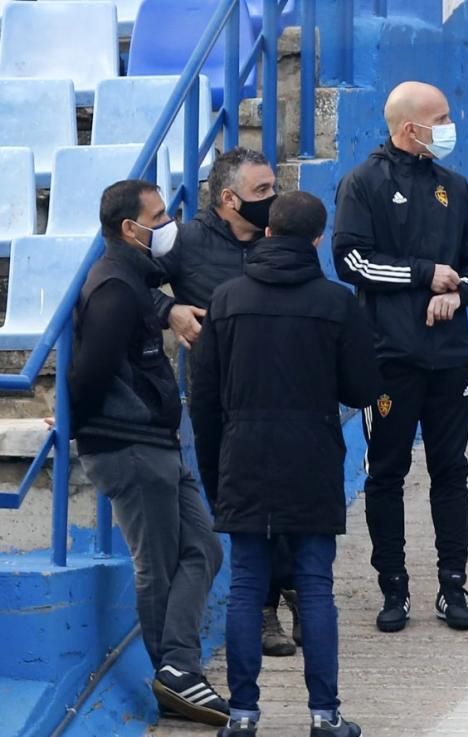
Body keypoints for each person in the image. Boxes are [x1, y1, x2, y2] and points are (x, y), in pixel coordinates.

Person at [190, 191, 379, 737]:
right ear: (317, 240)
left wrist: (215, 472)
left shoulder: (225, 300)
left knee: (248, 585)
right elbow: (362, 387)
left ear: (267, 232)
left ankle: (243, 716)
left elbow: (203, 401)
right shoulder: (338, 303)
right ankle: (325, 716)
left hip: (243, 459)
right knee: (315, 586)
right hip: (313, 459)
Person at [333, 81, 468, 634]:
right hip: (389, 361)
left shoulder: (454, 185)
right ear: (410, 129)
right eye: (442, 118)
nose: (451, 127)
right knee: (386, 474)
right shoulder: (362, 183)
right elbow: (352, 262)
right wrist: (424, 275)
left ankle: (453, 585)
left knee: (452, 471)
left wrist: (459, 292)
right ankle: (393, 588)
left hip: (451, 360)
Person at [70, 180, 228, 726]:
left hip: (157, 443)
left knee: (204, 548)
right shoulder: (113, 287)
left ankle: (177, 666)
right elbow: (88, 375)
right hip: (129, 446)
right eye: (158, 217)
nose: (169, 225)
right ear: (129, 230)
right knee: (156, 567)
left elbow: (154, 294)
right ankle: (174, 671)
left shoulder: (133, 278)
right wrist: (83, 420)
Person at [151, 147, 302, 659]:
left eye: (275, 189)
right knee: (236, 504)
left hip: (283, 391)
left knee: (286, 497)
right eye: (262, 192)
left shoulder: (284, 235)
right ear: (228, 200)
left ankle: (294, 591)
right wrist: (169, 308)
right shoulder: (187, 241)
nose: (273, 200)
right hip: (219, 399)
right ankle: (263, 606)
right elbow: (121, 278)